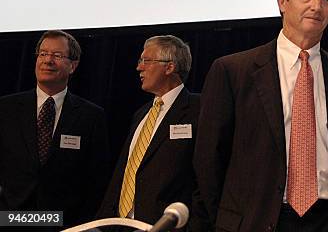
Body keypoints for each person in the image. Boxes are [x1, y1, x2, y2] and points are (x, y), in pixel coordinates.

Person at [193, 0, 328, 232]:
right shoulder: (233, 71)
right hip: (255, 221)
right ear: (283, 1)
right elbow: (208, 161)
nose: (317, 6)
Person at [0, 30, 110, 228]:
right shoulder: (5, 109)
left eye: (57, 56)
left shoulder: (91, 116)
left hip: (67, 224)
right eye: (43, 54)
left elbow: (97, 179)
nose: (47, 60)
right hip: (9, 220)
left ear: (73, 66)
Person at [98, 35, 201, 228]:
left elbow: (204, 176)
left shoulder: (199, 109)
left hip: (166, 224)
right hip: (120, 224)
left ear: (169, 67)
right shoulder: (141, 114)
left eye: (146, 61)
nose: (139, 67)